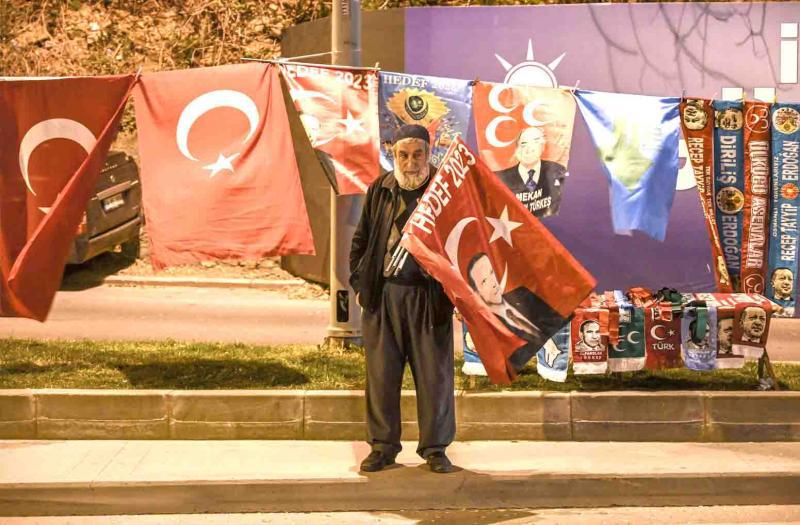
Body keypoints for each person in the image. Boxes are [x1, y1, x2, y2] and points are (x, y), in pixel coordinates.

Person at [349, 124, 455, 474]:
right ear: (393, 153)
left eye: (418, 155)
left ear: (430, 153)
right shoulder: (381, 189)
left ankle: (435, 449)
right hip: (384, 298)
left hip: (428, 298)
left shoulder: (445, 190)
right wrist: (361, 284)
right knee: (381, 377)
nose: (411, 163)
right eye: (403, 155)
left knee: (434, 378)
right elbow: (360, 242)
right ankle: (382, 447)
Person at [465, 251, 565, 369]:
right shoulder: (487, 325)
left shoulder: (522, 293)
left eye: (492, 272)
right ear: (476, 292)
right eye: (484, 281)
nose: (493, 282)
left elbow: (555, 316)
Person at [493, 126, 566, 217]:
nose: (529, 149)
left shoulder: (557, 171)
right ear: (516, 149)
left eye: (535, 142)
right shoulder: (499, 179)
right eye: (523, 144)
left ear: (542, 147)